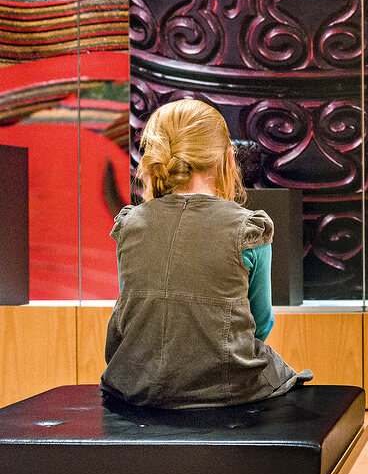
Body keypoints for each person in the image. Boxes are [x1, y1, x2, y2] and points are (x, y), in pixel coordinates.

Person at [101, 98, 311, 408]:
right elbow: (261, 323)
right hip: (227, 389)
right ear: (228, 159)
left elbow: (136, 312)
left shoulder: (129, 224)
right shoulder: (249, 227)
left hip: (134, 384)